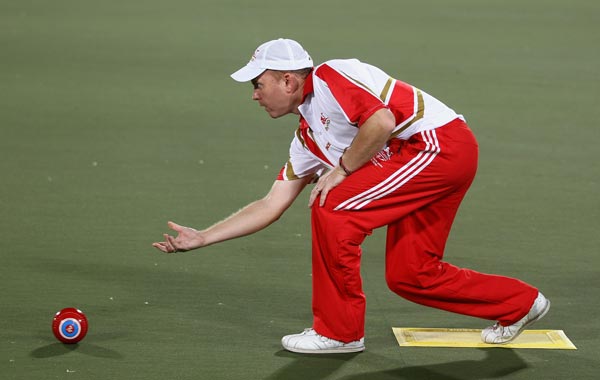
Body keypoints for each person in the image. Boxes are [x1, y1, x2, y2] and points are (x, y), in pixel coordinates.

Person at [152, 38, 550, 354]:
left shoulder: (328, 76)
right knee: (410, 274)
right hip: (424, 162)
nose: (255, 95)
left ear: (288, 81)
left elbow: (381, 120)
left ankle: (339, 333)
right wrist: (204, 237)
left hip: (436, 146)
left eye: (259, 84)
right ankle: (519, 303)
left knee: (332, 205)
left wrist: (341, 170)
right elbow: (271, 205)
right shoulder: (307, 140)